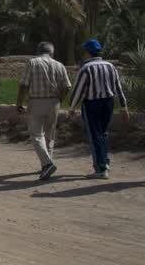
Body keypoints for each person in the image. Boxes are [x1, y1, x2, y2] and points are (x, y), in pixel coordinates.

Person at [68, 38, 130, 179]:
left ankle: (100, 169)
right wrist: (124, 106)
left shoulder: (86, 68)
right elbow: (118, 87)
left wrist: (71, 108)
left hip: (92, 104)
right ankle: (105, 162)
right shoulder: (110, 66)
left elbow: (78, 90)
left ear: (87, 53)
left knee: (94, 135)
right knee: (103, 133)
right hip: (108, 103)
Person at [16, 41, 71, 180]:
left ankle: (47, 164)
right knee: (49, 134)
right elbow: (67, 87)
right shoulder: (59, 65)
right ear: (51, 52)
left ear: (38, 50)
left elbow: (23, 85)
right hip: (54, 102)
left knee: (36, 135)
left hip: (36, 101)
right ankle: (46, 164)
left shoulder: (33, 63)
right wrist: (60, 99)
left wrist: (19, 102)